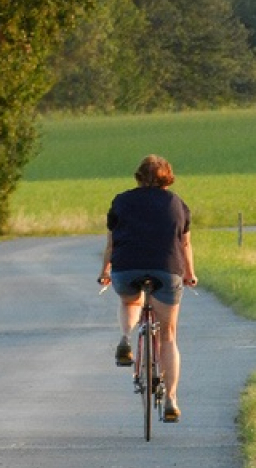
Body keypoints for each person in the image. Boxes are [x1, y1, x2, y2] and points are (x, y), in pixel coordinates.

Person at [98, 154, 197, 422]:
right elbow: (185, 244)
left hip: (127, 267)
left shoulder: (121, 201)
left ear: (139, 177)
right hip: (167, 269)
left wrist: (105, 271)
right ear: (168, 177)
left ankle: (126, 339)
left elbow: (111, 244)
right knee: (168, 335)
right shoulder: (177, 204)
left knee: (130, 302)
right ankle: (171, 399)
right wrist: (190, 274)